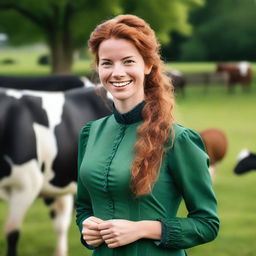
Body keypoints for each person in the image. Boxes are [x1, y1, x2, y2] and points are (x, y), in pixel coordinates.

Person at [76, 14, 219, 256]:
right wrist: (86, 227)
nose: (117, 72)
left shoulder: (178, 139)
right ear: (98, 67)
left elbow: (207, 224)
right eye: (107, 63)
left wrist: (142, 229)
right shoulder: (90, 134)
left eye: (128, 61)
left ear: (148, 65)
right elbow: (83, 206)